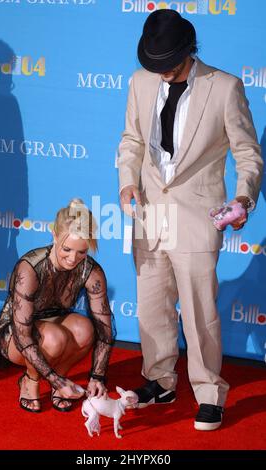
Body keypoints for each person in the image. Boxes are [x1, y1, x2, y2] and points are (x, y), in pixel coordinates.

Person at [118, 9, 263, 430]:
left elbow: (248, 152)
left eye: (168, 63)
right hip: (148, 213)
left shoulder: (224, 87)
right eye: (154, 63)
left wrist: (243, 198)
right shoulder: (139, 81)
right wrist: (128, 182)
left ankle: (209, 391)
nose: (161, 71)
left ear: (188, 51)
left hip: (199, 214)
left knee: (199, 313)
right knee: (152, 307)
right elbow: (131, 141)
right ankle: (160, 380)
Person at [0, 198, 115, 413]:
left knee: (85, 329)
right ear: (54, 235)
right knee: (54, 337)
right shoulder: (30, 267)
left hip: (54, 323)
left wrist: (97, 376)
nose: (73, 258)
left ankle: (61, 374)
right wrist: (55, 380)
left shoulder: (91, 271)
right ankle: (31, 380)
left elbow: (105, 330)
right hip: (14, 335)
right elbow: (22, 333)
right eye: (67, 249)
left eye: (82, 252)